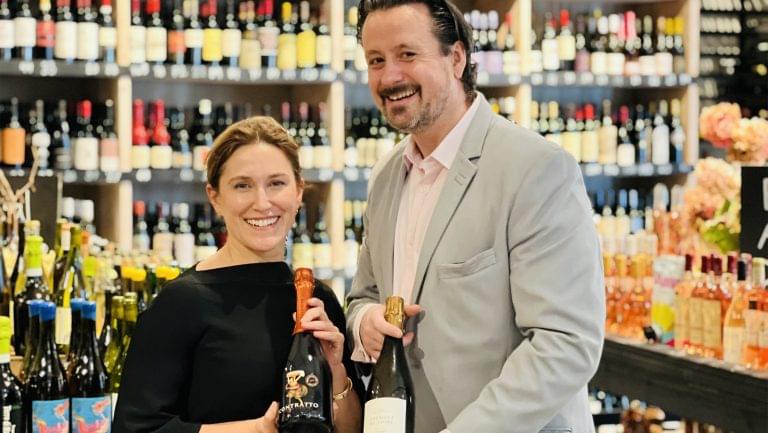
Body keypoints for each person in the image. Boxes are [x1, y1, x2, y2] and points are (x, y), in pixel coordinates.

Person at [345, 1, 605, 432]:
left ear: (457, 58)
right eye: (376, 60)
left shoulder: (534, 169)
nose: (390, 76)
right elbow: (362, 297)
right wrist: (365, 323)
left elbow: (565, 345)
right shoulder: (386, 178)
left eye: (407, 54)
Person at [113, 116, 363, 433]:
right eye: (242, 185)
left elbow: (352, 430)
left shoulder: (317, 300)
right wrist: (257, 430)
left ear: (298, 192)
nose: (262, 203)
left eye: (276, 183)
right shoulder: (182, 302)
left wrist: (337, 371)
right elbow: (136, 429)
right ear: (215, 197)